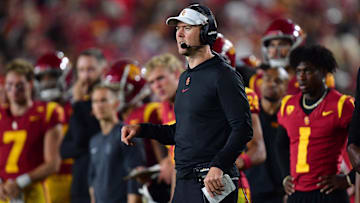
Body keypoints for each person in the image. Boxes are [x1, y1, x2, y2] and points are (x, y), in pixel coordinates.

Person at [121, 4, 253, 203]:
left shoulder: (223, 75)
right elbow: (181, 133)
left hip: (212, 182)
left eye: (187, 28)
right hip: (185, 181)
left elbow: (243, 129)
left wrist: (218, 165)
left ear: (206, 32)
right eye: (177, 29)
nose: (180, 34)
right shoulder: (185, 78)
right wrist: (141, 129)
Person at [277, 45, 354, 202]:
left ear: (324, 72)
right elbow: (280, 144)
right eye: (299, 71)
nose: (302, 77)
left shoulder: (341, 104)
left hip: (328, 194)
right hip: (297, 195)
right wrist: (285, 175)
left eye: (308, 71)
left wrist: (348, 179)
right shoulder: (288, 104)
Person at [103, 59, 170, 202]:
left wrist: (163, 165)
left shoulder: (149, 111)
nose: (113, 95)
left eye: (116, 90)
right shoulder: (117, 116)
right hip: (128, 185)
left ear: (131, 89)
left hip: (157, 185)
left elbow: (164, 155)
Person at [0, 59, 63, 202]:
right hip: (3, 193)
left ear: (30, 84)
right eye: (10, 85)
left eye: (19, 85)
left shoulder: (47, 112)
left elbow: (53, 163)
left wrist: (20, 182)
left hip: (33, 192)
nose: (14, 90)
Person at [213, 33, 266, 203]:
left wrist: (223, 166)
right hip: (195, 185)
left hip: (228, 185)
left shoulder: (243, 96)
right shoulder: (187, 95)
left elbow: (258, 149)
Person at [60, 48, 107, 203]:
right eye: (81, 70)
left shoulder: (108, 102)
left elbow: (82, 140)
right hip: (80, 181)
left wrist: (79, 103)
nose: (86, 76)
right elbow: (64, 149)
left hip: (104, 181)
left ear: (103, 69)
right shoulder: (78, 104)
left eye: (91, 69)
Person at [248, 18, 335, 97]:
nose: (275, 51)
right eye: (272, 45)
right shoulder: (258, 80)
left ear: (297, 46)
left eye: (282, 44)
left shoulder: (317, 77)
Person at [88, 84, 145, 203]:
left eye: (103, 100)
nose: (99, 105)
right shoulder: (94, 141)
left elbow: (135, 177)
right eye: (95, 101)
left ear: (116, 104)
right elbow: (93, 179)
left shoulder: (128, 135)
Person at [34, 51, 74, 203]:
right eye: (42, 78)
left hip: (75, 180)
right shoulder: (35, 113)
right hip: (43, 181)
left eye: (52, 76)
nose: (47, 82)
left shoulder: (78, 110)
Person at [245, 66, 289, 203]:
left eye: (278, 81)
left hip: (282, 192)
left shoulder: (291, 115)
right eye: (268, 79)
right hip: (252, 189)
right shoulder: (247, 112)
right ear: (261, 83)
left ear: (286, 87)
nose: (272, 84)